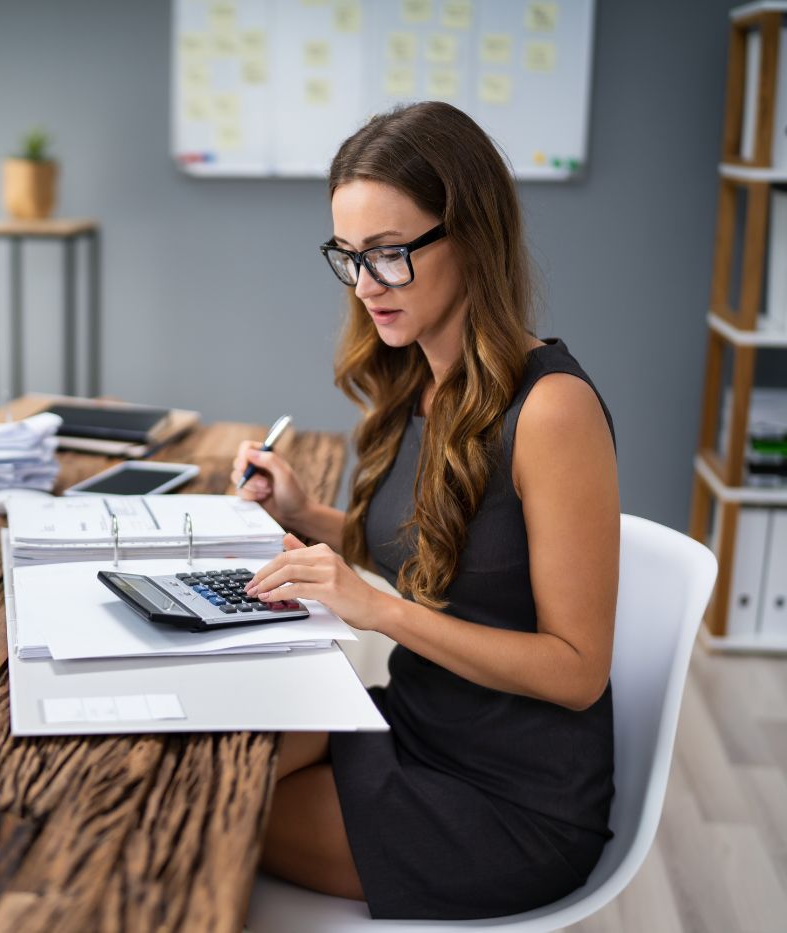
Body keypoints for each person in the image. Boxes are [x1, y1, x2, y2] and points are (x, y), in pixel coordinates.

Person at [232, 101, 619, 920]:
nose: (368, 285)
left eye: (392, 253)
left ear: (473, 235)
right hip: (416, 722)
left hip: (510, 801)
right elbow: (452, 557)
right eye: (350, 256)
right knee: (206, 760)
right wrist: (311, 517)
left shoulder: (551, 410)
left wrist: (377, 611)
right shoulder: (421, 379)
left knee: (212, 815)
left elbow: (578, 670)